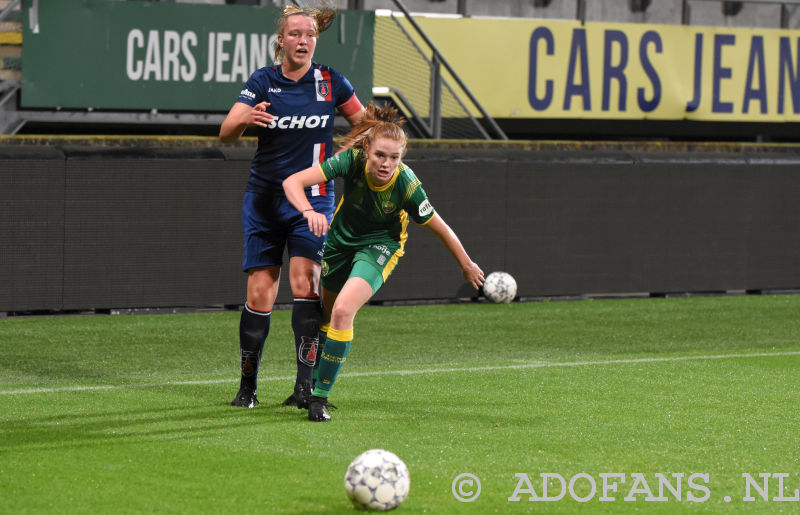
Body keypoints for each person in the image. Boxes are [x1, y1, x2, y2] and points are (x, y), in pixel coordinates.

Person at [282, 103, 485, 421]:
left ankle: (319, 399)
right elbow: (292, 182)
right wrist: (308, 211)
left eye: (394, 158)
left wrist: (467, 264)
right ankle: (305, 387)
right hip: (340, 242)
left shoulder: (406, 185)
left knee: (344, 311)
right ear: (367, 149)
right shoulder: (350, 160)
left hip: (380, 247)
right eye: (381, 155)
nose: (386, 163)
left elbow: (440, 227)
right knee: (325, 314)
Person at [219, 3, 365, 410]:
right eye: (295, 34)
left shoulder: (331, 81)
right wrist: (247, 116)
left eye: (310, 35)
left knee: (307, 285)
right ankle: (247, 389)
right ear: (280, 40)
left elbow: (366, 128)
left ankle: (304, 389)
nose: (303, 41)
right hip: (265, 201)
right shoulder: (262, 81)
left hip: (314, 202)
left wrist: (354, 159)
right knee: (260, 293)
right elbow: (225, 133)